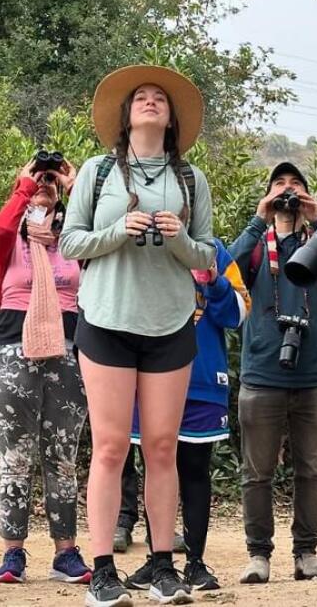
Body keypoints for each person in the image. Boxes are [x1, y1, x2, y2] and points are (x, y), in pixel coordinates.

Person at [59, 64, 215, 607]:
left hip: (170, 323)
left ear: (171, 119)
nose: (150, 102)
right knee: (107, 448)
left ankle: (163, 565)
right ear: (125, 117)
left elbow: (208, 256)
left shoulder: (191, 179)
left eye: (160, 99)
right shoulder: (98, 173)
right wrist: (117, 231)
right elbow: (70, 243)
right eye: (140, 98)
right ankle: (102, 569)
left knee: (163, 447)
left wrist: (177, 240)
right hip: (105, 320)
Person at [0, 156, 93, 586]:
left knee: (62, 458)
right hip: (13, 346)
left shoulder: (74, 240)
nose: (45, 184)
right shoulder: (10, 239)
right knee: (15, 456)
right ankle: (13, 552)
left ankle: (66, 552)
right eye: (38, 179)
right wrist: (25, 188)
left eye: (51, 181)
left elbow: (101, 219)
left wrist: (73, 181)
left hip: (68, 349)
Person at [228, 161, 317, 585]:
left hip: (314, 375)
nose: (288, 191)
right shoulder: (258, 246)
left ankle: (307, 553)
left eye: (295, 185)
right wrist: (259, 219)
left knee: (311, 471)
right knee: (257, 473)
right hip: (261, 373)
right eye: (279, 185)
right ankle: (259, 555)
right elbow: (224, 271)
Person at [125, 238, 249, 593]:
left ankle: (195, 562)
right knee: (154, 466)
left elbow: (239, 313)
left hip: (202, 379)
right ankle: (157, 559)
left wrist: (213, 279)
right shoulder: (141, 243)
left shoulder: (214, 250)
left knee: (195, 470)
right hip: (147, 378)